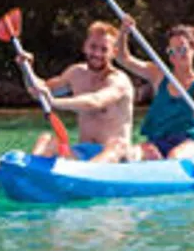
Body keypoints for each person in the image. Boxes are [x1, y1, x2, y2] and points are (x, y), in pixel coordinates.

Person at [22, 21, 137, 163]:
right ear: (85, 46)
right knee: (46, 139)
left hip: (116, 155)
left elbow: (95, 101)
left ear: (114, 52)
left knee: (117, 145)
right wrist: (26, 68)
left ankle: (88, 175)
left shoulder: (119, 81)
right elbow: (37, 91)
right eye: (93, 47)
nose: (97, 53)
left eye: (104, 49)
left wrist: (54, 102)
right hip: (83, 153)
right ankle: (30, 172)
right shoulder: (75, 73)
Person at [116, 17, 194, 160]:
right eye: (172, 51)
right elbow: (122, 59)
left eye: (182, 49)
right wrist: (123, 33)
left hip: (189, 143)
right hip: (157, 142)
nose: (176, 55)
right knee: (130, 155)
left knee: (175, 156)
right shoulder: (158, 74)